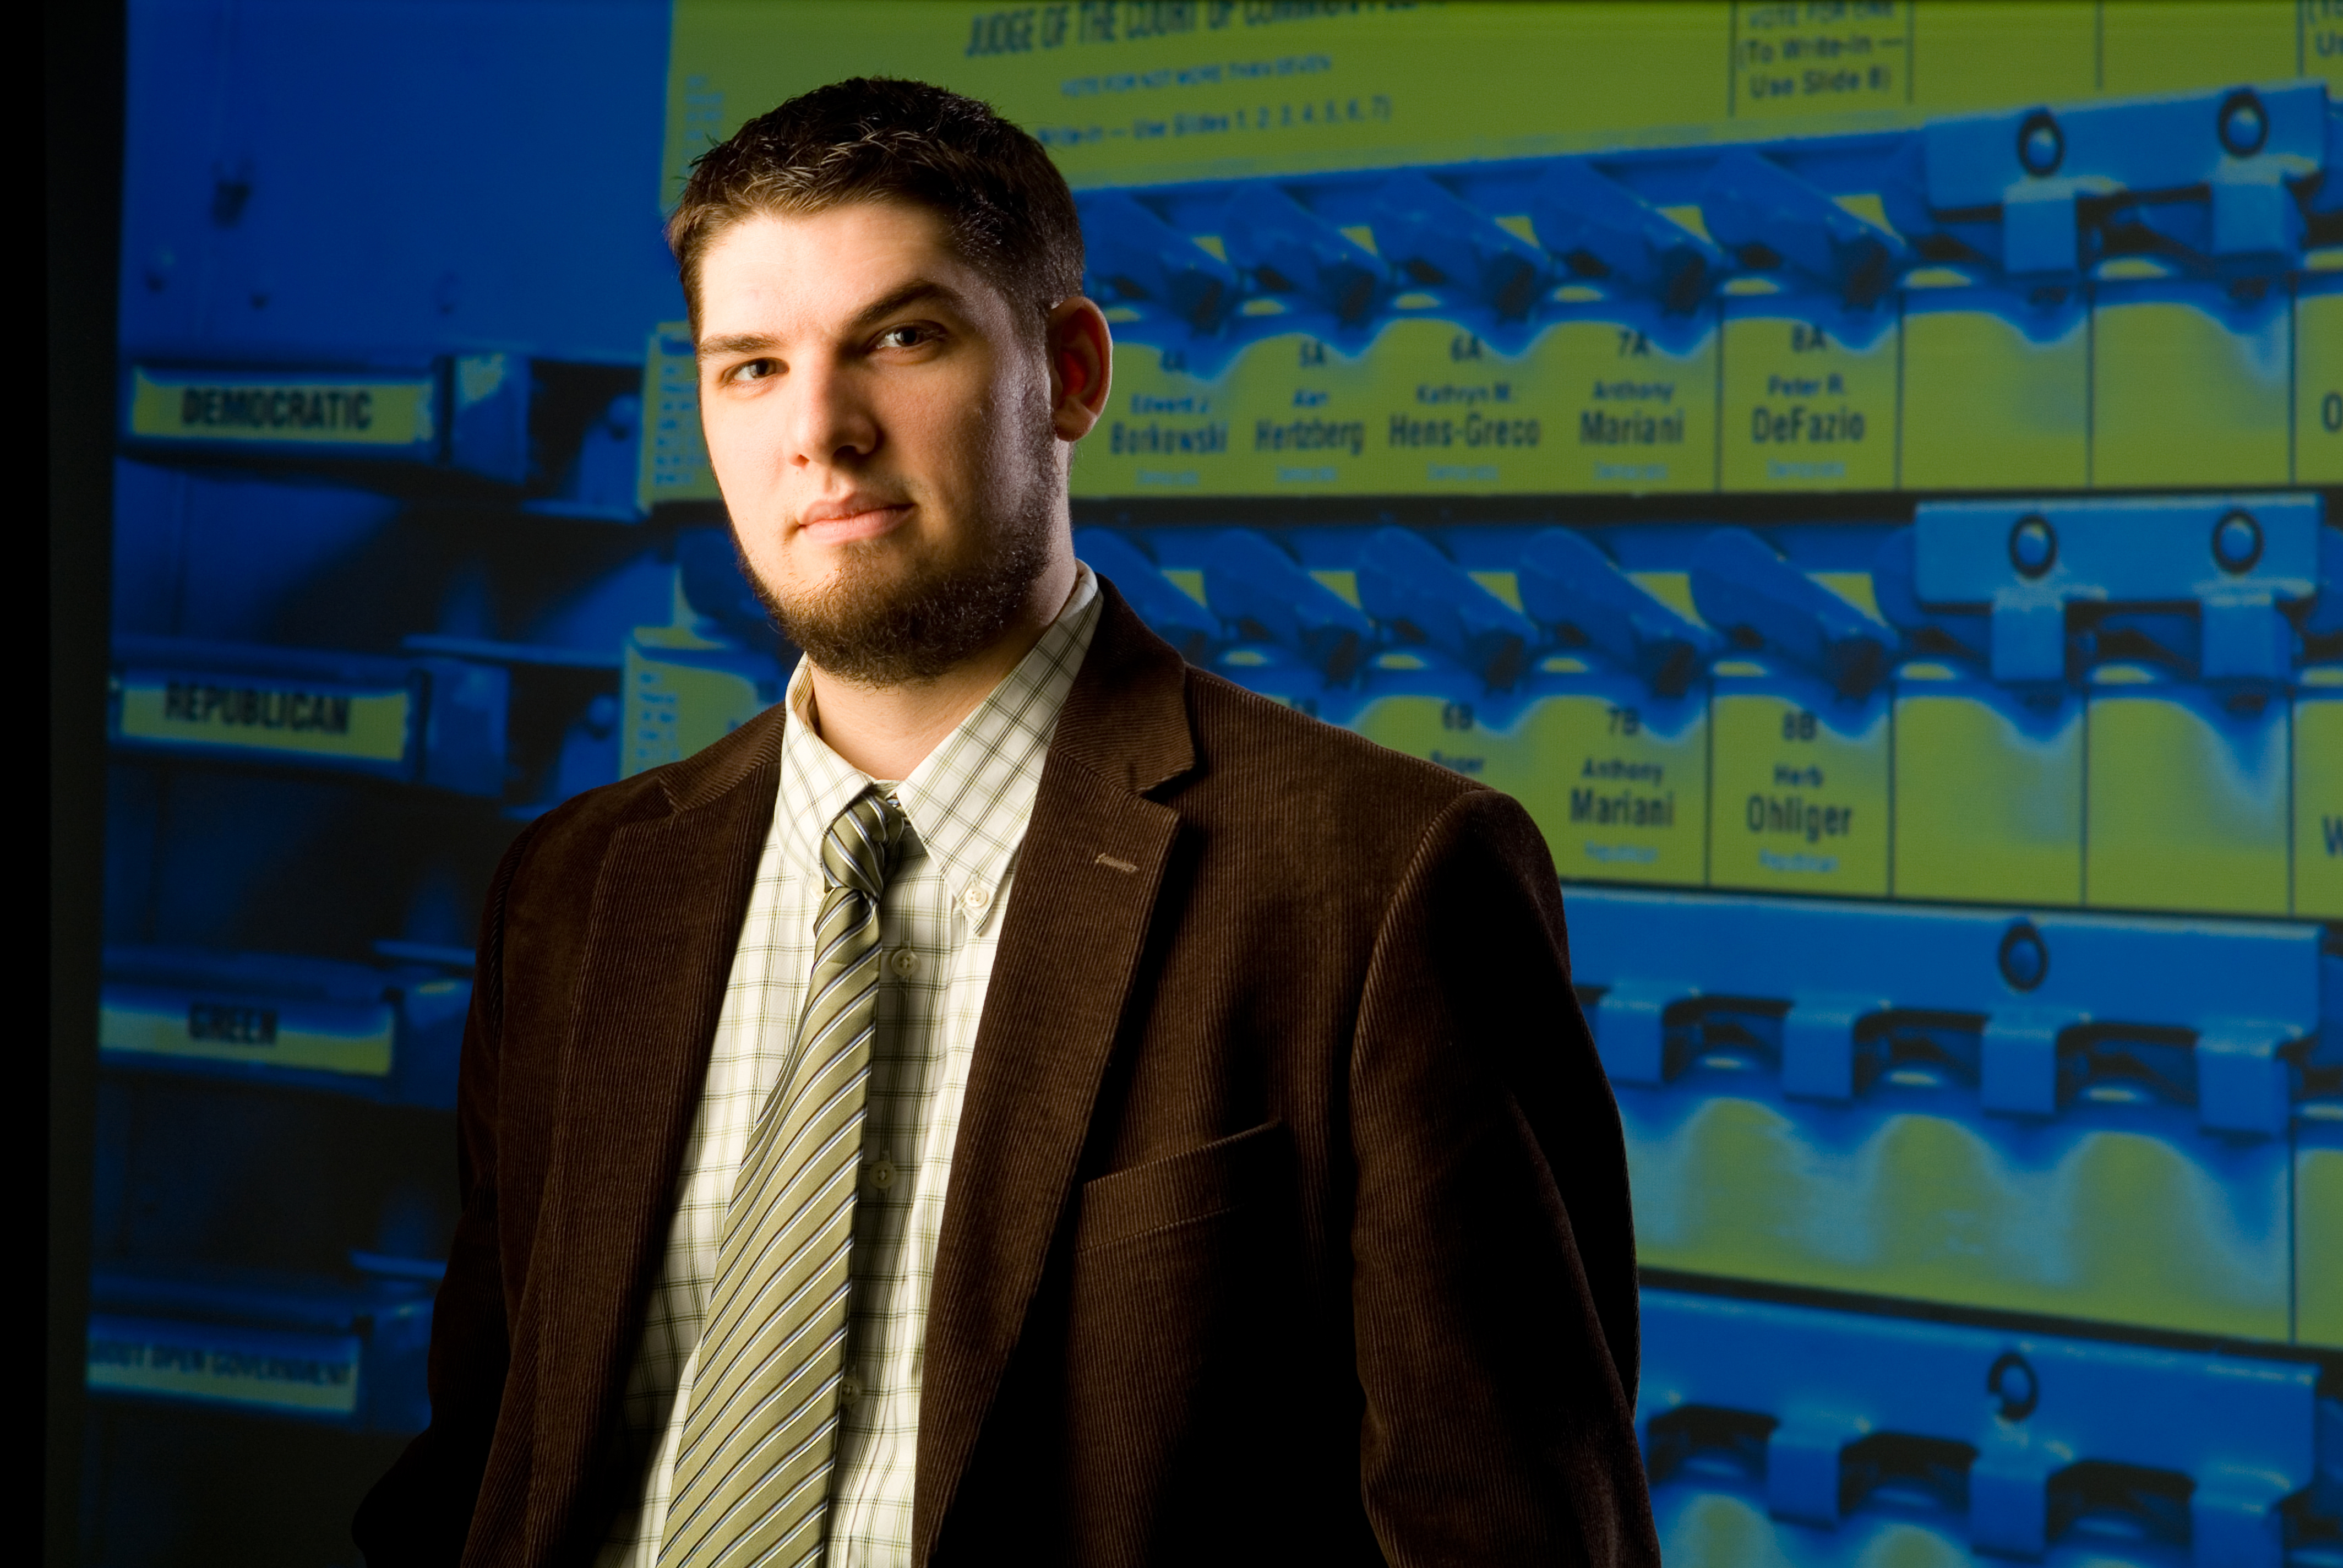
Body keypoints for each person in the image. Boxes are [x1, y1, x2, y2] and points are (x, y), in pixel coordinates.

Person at [355, 76, 1655, 1568]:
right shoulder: (576, 890)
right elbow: (481, 1470)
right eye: (753, 368)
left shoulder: (1383, 885)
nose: (821, 432)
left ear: (1072, 373)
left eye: (901, 339)